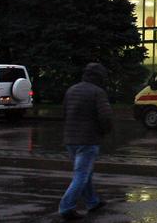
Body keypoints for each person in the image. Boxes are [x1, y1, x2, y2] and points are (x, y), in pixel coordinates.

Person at [58, 63, 113, 220]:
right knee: (81, 175)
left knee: (84, 173)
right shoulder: (98, 92)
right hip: (88, 140)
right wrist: (105, 131)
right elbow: (105, 117)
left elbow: (64, 113)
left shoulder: (71, 90)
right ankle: (66, 207)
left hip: (70, 139)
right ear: (100, 77)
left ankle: (92, 202)